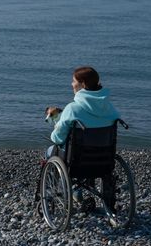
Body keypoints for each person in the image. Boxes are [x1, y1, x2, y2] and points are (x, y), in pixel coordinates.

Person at [46, 66, 120, 211]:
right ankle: (81, 191)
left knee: (50, 151)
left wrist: (55, 127)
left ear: (83, 85)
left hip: (76, 161)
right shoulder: (110, 108)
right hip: (104, 161)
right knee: (86, 148)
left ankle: (52, 194)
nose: (71, 84)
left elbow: (57, 138)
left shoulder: (73, 109)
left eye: (74, 81)